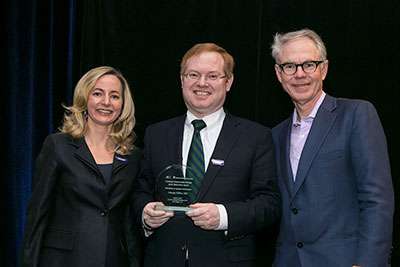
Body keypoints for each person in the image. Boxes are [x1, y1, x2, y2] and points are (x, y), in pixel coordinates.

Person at [132, 43, 281, 267]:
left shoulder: (256, 137)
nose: (202, 83)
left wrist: (223, 216)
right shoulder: (156, 134)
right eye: (193, 74)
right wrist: (145, 213)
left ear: (228, 82)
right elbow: (140, 189)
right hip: (163, 258)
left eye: (212, 76)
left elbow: (269, 204)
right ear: (182, 80)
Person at [270, 28, 394, 267]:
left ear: (323, 69)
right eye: (289, 66)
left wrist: (367, 263)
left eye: (309, 64)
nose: (299, 74)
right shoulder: (276, 135)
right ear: (279, 73)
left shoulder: (356, 114)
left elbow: (376, 199)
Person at [21, 66, 142, 267]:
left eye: (114, 96)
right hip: (63, 260)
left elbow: (128, 222)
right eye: (97, 93)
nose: (106, 102)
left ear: (123, 104)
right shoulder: (57, 146)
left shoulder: (132, 155)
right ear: (84, 98)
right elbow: (37, 216)